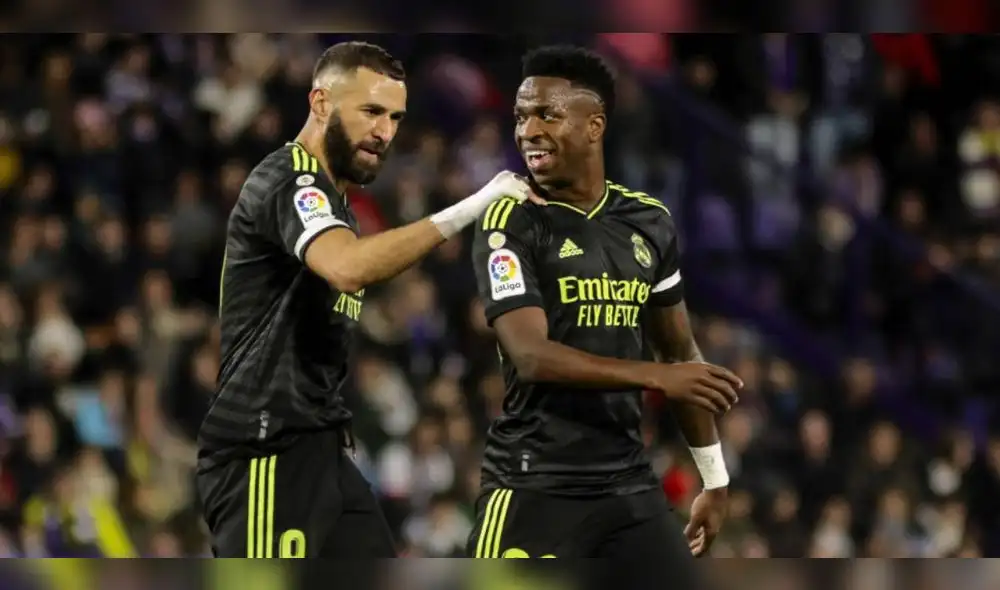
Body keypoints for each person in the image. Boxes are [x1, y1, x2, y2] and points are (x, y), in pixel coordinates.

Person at [196, 41, 535, 558]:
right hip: (265, 453)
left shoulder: (338, 207)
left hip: (323, 452)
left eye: (395, 117)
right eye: (371, 111)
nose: (385, 132)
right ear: (320, 103)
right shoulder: (288, 180)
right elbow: (347, 267)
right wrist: (472, 205)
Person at [466, 45, 741, 582]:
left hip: (626, 482)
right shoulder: (511, 219)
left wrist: (714, 478)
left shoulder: (649, 222)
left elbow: (679, 352)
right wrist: (655, 376)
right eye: (521, 117)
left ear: (594, 125)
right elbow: (530, 356)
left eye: (547, 115)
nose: (528, 131)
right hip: (533, 482)